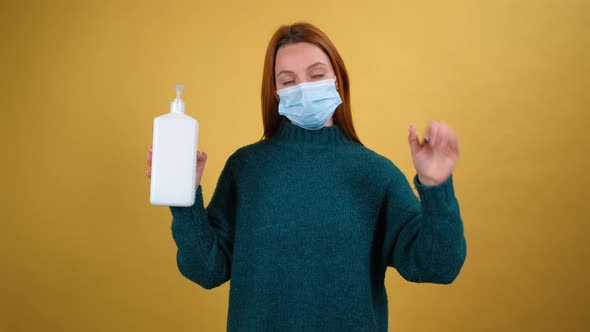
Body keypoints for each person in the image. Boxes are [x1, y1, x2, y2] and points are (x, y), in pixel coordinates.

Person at [146, 22, 466, 332]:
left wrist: (436, 187)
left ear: (337, 79)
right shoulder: (246, 169)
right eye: (288, 80)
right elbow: (206, 269)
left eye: (316, 75)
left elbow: (439, 266)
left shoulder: (375, 174)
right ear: (275, 93)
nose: (303, 88)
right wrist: (183, 199)